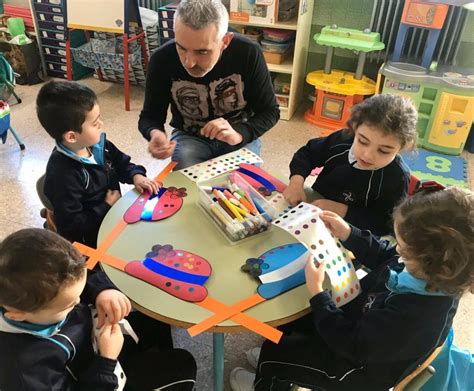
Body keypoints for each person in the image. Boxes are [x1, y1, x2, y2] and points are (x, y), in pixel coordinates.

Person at [230, 186, 474, 391]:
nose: (397, 251)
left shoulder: (415, 317)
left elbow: (350, 343)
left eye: (405, 250)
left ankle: (267, 378)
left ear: (435, 265)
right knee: (288, 325)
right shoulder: (430, 272)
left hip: (355, 370)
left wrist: (318, 295)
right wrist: (350, 233)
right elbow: (385, 254)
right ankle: (273, 358)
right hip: (362, 328)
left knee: (276, 354)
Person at [0, 228, 197, 390]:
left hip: (96, 344)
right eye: (70, 305)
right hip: (98, 376)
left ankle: (149, 360)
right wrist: (107, 361)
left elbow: (77, 275)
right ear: (17, 315)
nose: (79, 301)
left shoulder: (39, 291)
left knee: (156, 321)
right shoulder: (25, 372)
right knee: (183, 365)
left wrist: (102, 291)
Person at [138, 0, 279, 169]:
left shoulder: (248, 52)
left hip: (238, 133)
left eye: (202, 52)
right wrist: (155, 133)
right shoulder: (161, 59)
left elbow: (270, 111)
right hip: (189, 137)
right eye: (181, 48)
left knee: (244, 188)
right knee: (185, 189)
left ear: (225, 41)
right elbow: (150, 116)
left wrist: (240, 133)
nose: (189, 63)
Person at [37, 80, 159, 248]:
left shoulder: (99, 145)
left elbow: (122, 164)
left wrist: (135, 175)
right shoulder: (63, 174)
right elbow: (71, 227)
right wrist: (105, 206)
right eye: (94, 123)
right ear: (72, 137)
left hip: (115, 215)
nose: (101, 124)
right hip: (93, 237)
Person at [283, 94, 418, 236]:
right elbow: (308, 154)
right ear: (354, 128)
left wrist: (343, 211)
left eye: (384, 151)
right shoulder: (342, 140)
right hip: (312, 216)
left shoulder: (397, 177)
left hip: (353, 237)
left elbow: (387, 224)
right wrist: (296, 182)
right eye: (363, 141)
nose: (367, 155)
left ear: (402, 148)